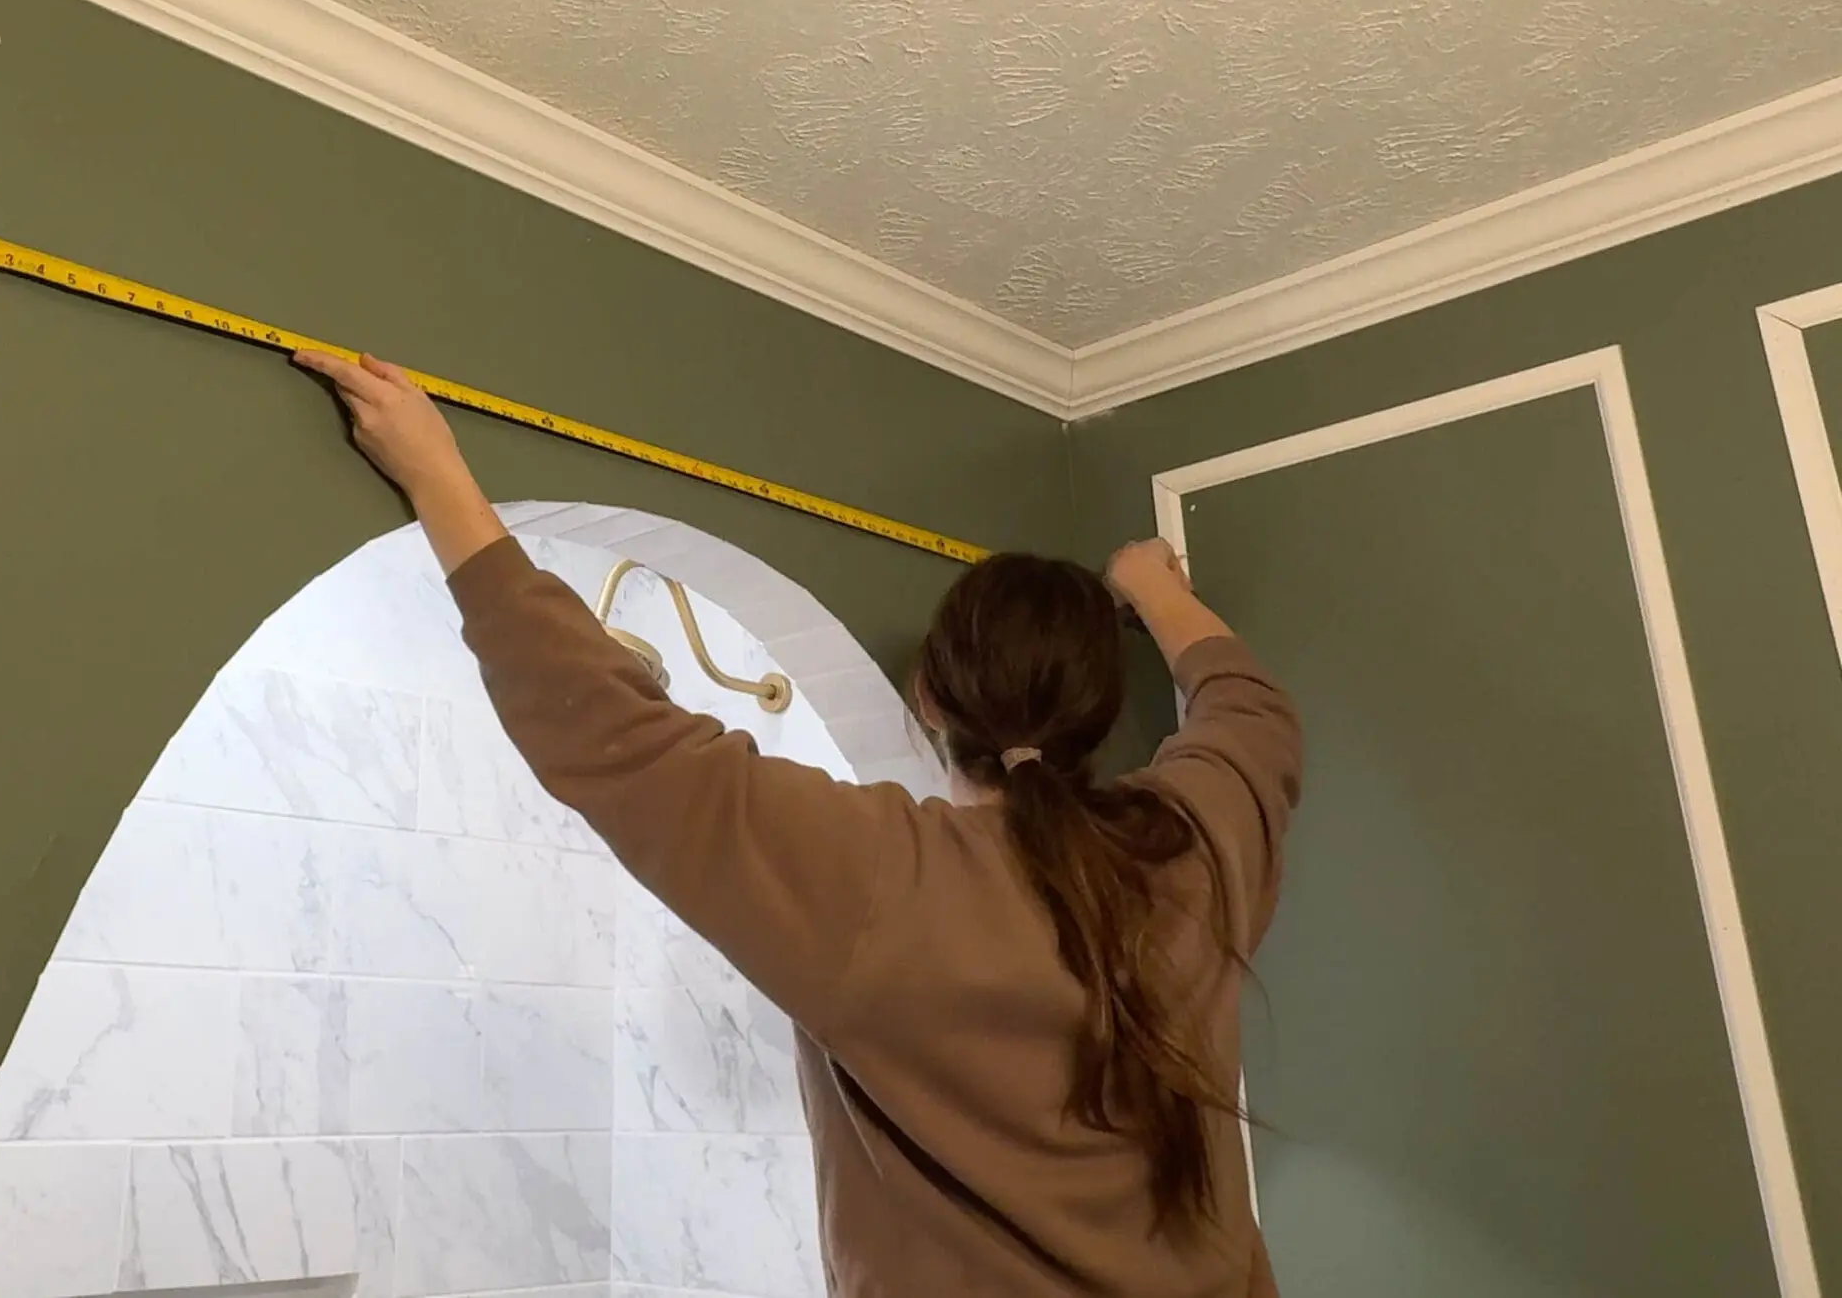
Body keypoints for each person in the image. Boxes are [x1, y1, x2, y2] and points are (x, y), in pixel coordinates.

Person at [295, 350, 1302, 1297]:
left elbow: (611, 731)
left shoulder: (881, 877)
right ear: (1091, 715)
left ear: (929, 701)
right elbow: (1249, 712)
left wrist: (435, 474)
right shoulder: (1194, 848)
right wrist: (1154, 589)